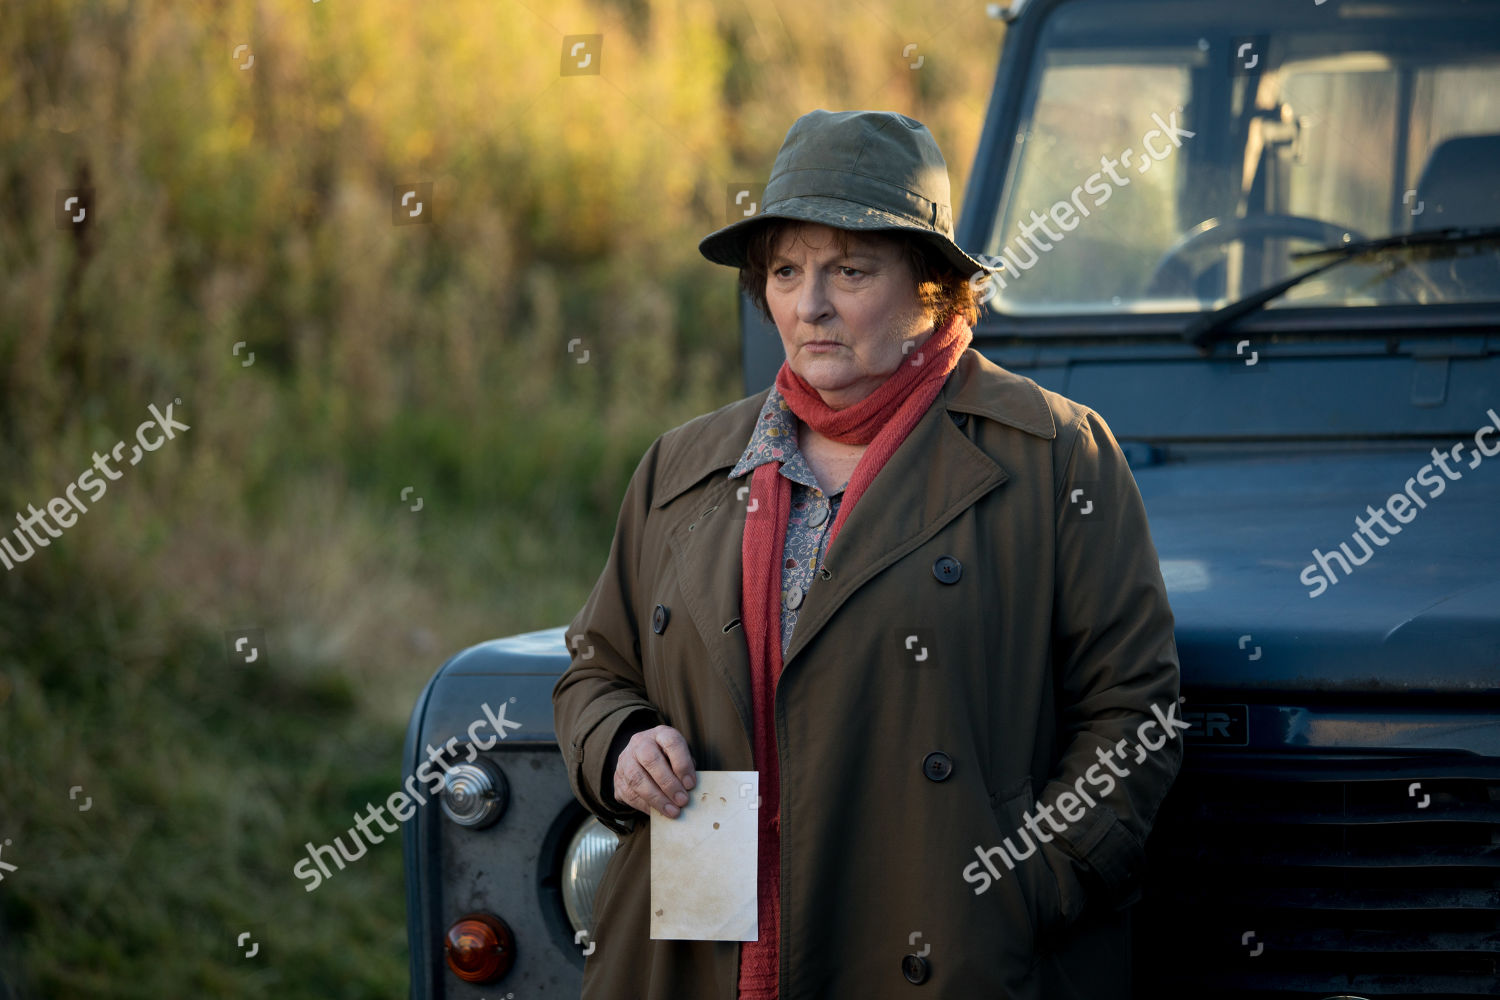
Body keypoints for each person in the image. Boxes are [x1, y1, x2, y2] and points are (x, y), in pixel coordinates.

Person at [552, 108, 1182, 1000]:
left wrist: (1029, 885)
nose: (809, 305)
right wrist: (617, 743)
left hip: (943, 946)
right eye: (785, 271)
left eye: (850, 270)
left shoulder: (1051, 454)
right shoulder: (685, 466)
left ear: (932, 286)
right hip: (699, 942)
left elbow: (1133, 713)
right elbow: (594, 670)